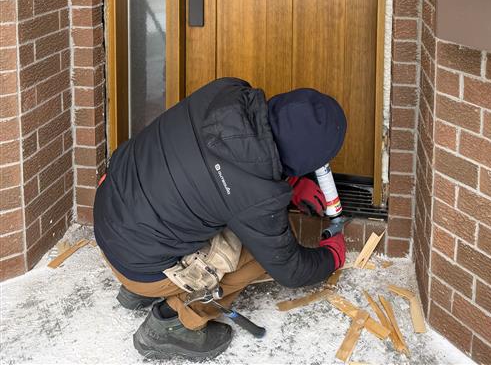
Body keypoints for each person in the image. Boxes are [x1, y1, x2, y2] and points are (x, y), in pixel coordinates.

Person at [94, 77, 347, 361]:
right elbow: (289, 270)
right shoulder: (256, 195)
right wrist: (331, 257)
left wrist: (291, 182)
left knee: (200, 207)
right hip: (137, 263)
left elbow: (239, 157)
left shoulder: (228, 90)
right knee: (256, 258)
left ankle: (139, 289)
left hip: (111, 215)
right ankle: (174, 322)